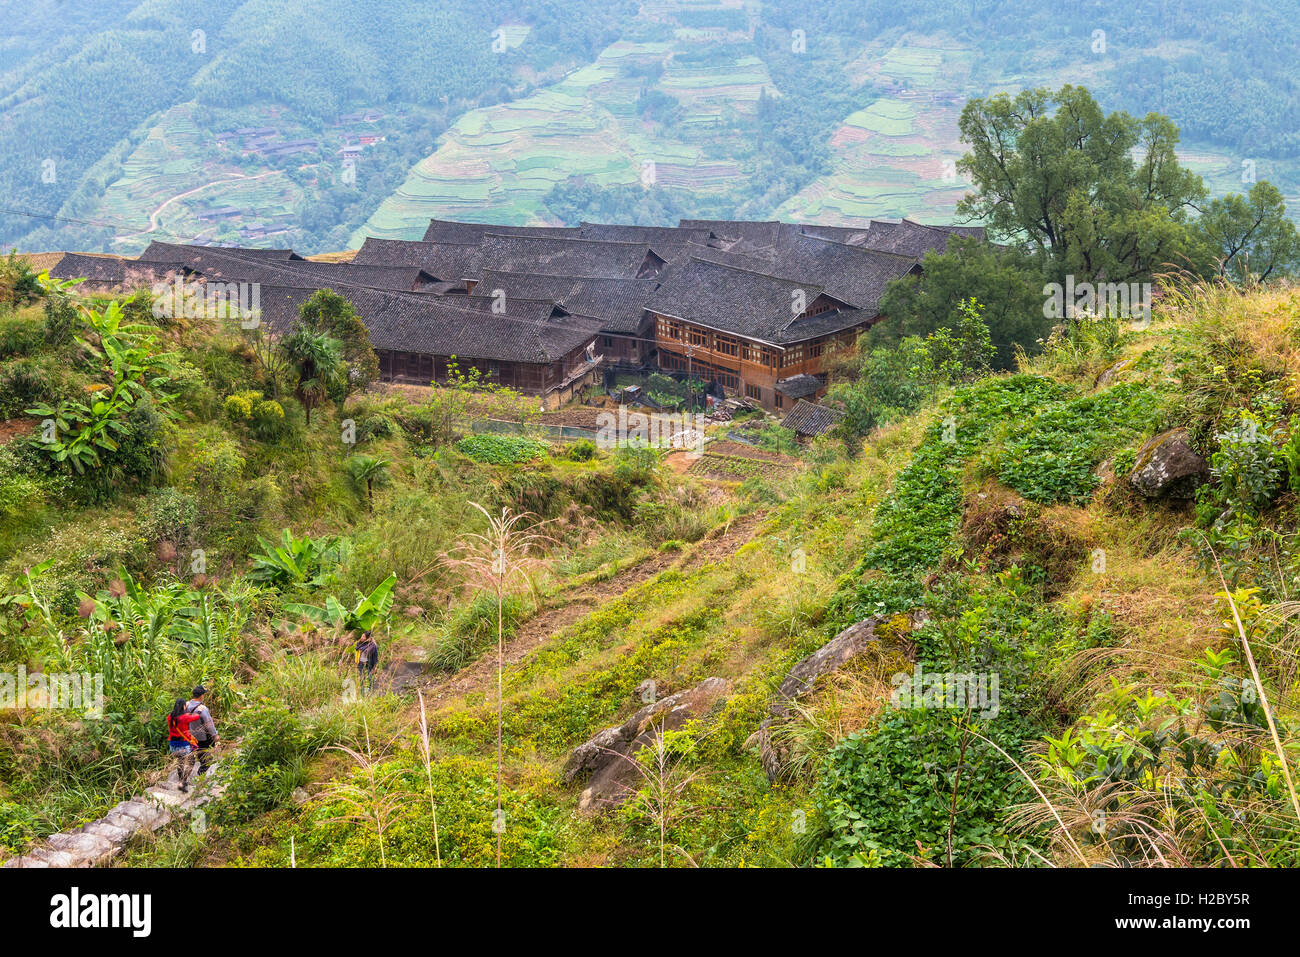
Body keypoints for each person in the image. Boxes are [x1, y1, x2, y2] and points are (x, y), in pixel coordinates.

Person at [166, 699, 202, 792]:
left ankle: (180, 780)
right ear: (183, 706)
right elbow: (196, 717)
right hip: (183, 744)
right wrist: (199, 710)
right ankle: (183, 782)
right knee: (192, 762)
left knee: (180, 761)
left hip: (173, 745)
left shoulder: (170, 716)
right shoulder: (185, 717)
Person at [184, 686, 219, 778]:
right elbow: (209, 724)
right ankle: (200, 777)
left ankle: (185, 777)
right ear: (201, 696)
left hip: (188, 736)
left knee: (190, 757)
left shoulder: (186, 705)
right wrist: (215, 735)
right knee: (206, 759)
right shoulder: (203, 709)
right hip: (202, 737)